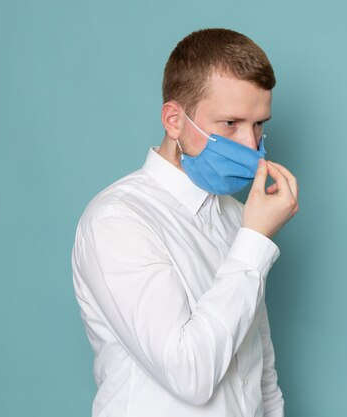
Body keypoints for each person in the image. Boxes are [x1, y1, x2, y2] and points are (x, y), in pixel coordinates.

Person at [71, 28, 298, 417]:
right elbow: (189, 374)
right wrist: (255, 240)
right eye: (230, 123)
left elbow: (257, 365)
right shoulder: (117, 221)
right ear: (174, 120)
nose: (250, 144)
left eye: (259, 124)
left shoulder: (234, 216)